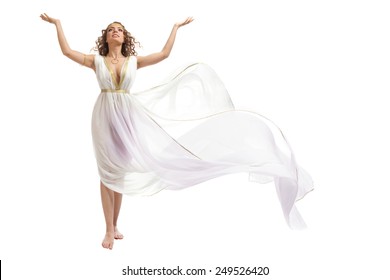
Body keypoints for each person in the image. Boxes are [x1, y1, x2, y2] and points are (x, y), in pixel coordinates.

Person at [40, 13, 313, 250]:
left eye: (120, 30)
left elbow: (163, 54)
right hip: (103, 115)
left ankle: (116, 224)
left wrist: (175, 28)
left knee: (120, 170)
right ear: (106, 37)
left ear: (125, 38)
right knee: (106, 171)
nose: (116, 32)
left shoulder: (133, 61)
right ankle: (108, 229)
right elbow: (67, 52)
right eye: (111, 29)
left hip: (127, 114)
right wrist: (58, 25)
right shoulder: (96, 61)